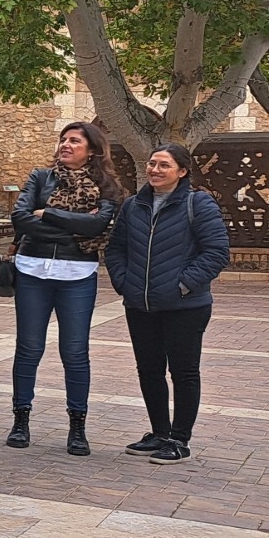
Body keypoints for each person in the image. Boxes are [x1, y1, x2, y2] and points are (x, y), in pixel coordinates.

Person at [105, 144, 230, 465]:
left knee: (183, 372)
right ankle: (160, 433)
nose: (155, 170)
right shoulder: (133, 205)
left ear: (182, 171)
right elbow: (115, 249)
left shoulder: (197, 203)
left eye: (164, 165)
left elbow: (216, 252)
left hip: (185, 306)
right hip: (140, 304)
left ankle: (179, 439)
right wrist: (125, 282)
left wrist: (181, 285)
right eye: (152, 163)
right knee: (149, 370)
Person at [7, 121, 122, 455]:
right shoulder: (41, 177)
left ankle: (77, 427)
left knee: (74, 352)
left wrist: (48, 213)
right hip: (33, 270)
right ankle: (20, 420)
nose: (66, 145)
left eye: (75, 141)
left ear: (92, 150)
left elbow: (98, 225)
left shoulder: (105, 186)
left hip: (77, 274)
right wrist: (73, 230)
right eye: (63, 139)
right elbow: (20, 217)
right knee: (29, 348)